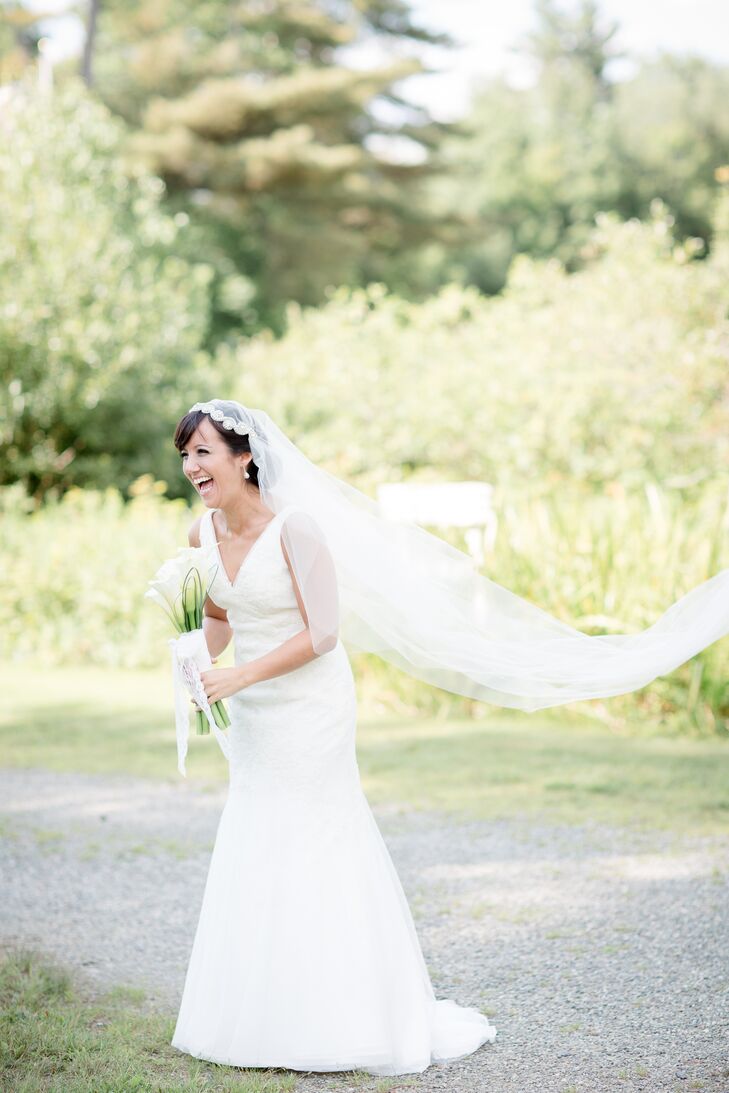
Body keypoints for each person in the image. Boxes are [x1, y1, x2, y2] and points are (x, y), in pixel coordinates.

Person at [170, 400, 498, 1075]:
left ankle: (345, 1014)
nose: (191, 466)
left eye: (203, 451)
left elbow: (322, 633)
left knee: (317, 832)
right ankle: (262, 1013)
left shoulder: (297, 527)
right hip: (253, 707)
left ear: (244, 456)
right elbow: (219, 618)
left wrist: (240, 675)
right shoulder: (200, 533)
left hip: (309, 704)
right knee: (257, 830)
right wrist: (194, 657)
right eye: (186, 454)